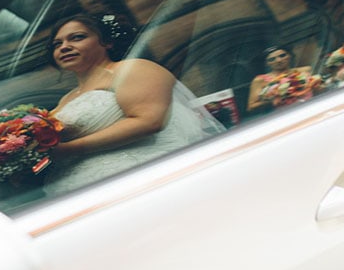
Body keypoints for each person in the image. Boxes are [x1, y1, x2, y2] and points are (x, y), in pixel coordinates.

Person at [43, 13, 224, 194]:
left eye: (77, 38)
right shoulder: (67, 98)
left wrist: (68, 150)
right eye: (57, 44)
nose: (65, 47)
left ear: (107, 42)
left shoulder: (132, 69)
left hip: (146, 180)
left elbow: (149, 121)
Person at [246, 46, 321, 113]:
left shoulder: (304, 70)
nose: (278, 60)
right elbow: (251, 107)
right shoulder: (260, 80)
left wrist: (316, 86)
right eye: (272, 59)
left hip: (312, 108)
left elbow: (319, 90)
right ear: (267, 63)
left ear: (289, 56)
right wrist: (273, 99)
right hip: (283, 115)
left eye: (282, 55)